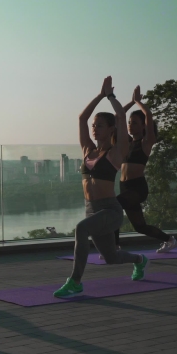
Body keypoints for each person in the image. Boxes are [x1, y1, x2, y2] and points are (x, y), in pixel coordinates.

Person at [54, 77, 149, 298]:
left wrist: (111, 97)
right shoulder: (87, 149)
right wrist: (100, 94)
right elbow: (82, 118)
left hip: (109, 210)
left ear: (110, 129)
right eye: (94, 126)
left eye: (99, 126)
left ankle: (75, 282)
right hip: (91, 209)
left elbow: (121, 115)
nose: (94, 129)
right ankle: (140, 260)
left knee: (81, 228)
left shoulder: (116, 152)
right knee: (111, 258)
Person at [116, 85, 177, 252]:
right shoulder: (127, 143)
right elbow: (117, 116)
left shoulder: (146, 142)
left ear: (143, 126)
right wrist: (130, 102)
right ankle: (169, 239)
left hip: (137, 187)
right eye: (129, 122)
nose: (130, 125)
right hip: (124, 187)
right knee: (139, 226)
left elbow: (148, 115)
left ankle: (115, 246)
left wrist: (138, 102)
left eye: (134, 123)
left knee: (114, 206)